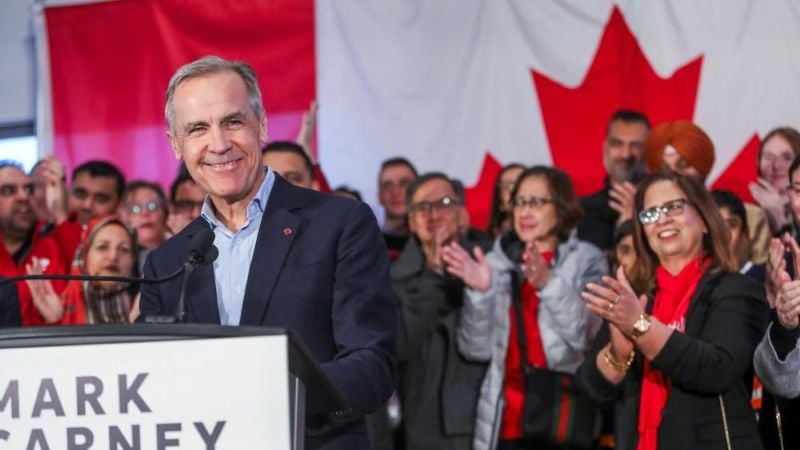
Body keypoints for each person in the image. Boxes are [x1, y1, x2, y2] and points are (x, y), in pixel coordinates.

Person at [139, 55, 395, 449]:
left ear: (262, 125)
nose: (219, 144)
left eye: (233, 121)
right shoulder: (166, 263)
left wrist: (276, 395)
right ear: (176, 145)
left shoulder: (340, 223)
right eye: (197, 129)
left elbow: (372, 365)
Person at [577, 171, 769, 450]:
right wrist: (617, 356)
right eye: (650, 213)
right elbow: (590, 390)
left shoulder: (736, 289)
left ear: (704, 220)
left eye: (674, 207)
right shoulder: (638, 297)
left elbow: (716, 369)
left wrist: (641, 328)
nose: (663, 219)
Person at [442, 166, 607, 450]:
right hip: (505, 420)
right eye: (519, 202)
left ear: (562, 207)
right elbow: (475, 349)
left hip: (559, 416)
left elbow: (586, 338)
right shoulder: (494, 262)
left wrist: (548, 284)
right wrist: (480, 293)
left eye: (536, 202)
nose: (524, 212)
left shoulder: (586, 260)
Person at [393, 172, 490, 450]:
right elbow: (400, 345)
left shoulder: (491, 265)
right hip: (420, 422)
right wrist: (434, 276)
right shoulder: (393, 278)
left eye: (444, 203)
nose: (433, 213)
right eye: (422, 207)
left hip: (483, 416)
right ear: (411, 221)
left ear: (462, 214)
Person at [644, 119, 770, 264]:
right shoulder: (651, 222)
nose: (674, 174)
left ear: (703, 166)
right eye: (665, 169)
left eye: (683, 165)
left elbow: (763, 277)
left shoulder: (751, 217)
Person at [26, 215, 139, 324]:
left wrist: (141, 324)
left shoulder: (144, 303)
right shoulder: (63, 307)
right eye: (102, 247)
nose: (113, 256)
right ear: (85, 255)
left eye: (124, 249)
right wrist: (55, 321)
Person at [0, 161, 67, 325]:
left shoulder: (54, 246)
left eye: (28, 189)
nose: (24, 197)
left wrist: (56, 321)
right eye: (8, 190)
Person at [578, 110, 650, 251]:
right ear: (605, 147)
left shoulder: (664, 203)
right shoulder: (582, 211)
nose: (626, 154)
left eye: (636, 146)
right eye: (617, 143)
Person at [749, 127, 800, 235]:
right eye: (769, 157)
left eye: (787, 158)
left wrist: (779, 220)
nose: (776, 166)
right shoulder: (746, 210)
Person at [711, 189, 765, 282]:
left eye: (732, 225)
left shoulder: (762, 278)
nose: (724, 233)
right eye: (716, 224)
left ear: (744, 233)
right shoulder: (692, 279)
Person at [120, 180, 169, 272]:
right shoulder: (119, 260)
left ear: (165, 213)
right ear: (125, 216)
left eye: (152, 206)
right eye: (135, 208)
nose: (144, 213)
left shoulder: (180, 253)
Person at [378, 157, 418, 261]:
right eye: (387, 186)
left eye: (404, 184)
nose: (396, 192)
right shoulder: (366, 243)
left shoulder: (436, 241)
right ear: (379, 196)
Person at [486, 163, 525, 239]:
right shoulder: (488, 242)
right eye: (507, 186)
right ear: (500, 201)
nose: (513, 191)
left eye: (520, 184)